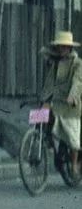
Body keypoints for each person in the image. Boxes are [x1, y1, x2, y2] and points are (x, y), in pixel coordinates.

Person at [40, 30, 82, 178]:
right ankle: (46, 143)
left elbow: (78, 82)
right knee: (41, 119)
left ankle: (75, 165)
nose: (62, 49)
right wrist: (44, 100)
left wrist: (72, 96)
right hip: (57, 103)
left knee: (73, 138)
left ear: (70, 48)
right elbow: (49, 84)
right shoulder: (56, 63)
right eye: (60, 47)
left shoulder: (77, 63)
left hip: (71, 106)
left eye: (65, 47)